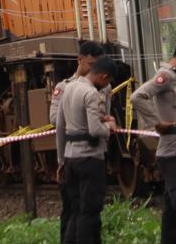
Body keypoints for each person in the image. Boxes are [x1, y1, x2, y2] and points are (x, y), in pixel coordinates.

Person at [131, 35, 176, 244]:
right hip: (173, 151)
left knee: (172, 204)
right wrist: (156, 123)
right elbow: (137, 96)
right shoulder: (165, 76)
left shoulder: (175, 77)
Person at [56, 55, 118, 244]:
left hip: (70, 157)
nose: (106, 86)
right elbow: (95, 129)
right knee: (89, 211)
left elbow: (60, 126)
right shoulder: (91, 93)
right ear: (103, 76)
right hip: (89, 159)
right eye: (107, 81)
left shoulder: (68, 88)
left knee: (75, 210)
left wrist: (61, 160)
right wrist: (110, 127)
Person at [50, 41, 106, 124]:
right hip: (75, 135)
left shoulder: (103, 86)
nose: (94, 69)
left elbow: (105, 114)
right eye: (91, 64)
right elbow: (54, 118)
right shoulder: (63, 87)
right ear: (79, 60)